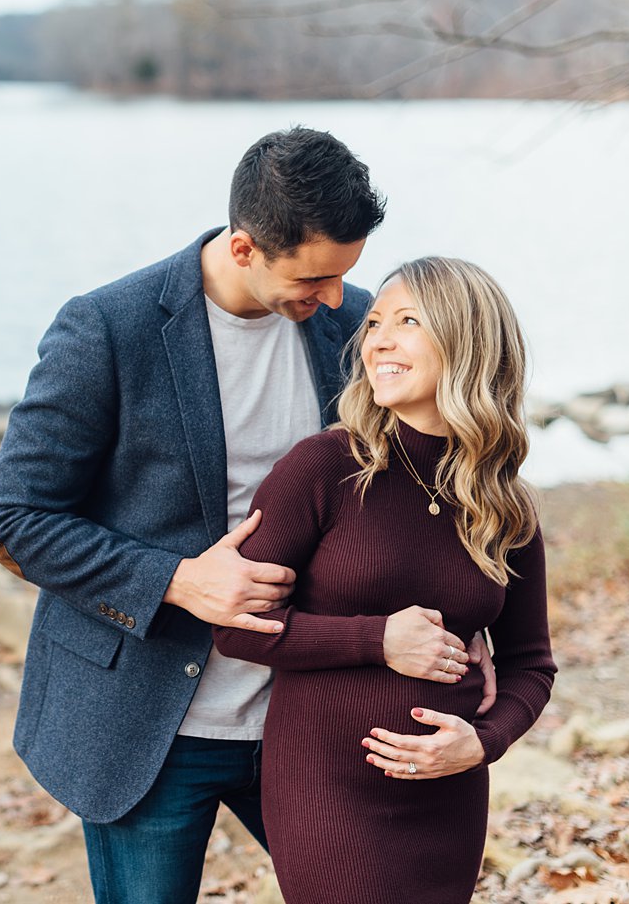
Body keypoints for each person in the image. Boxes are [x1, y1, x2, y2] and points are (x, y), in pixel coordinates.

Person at [0, 128, 497, 904]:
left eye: (344, 276)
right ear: (248, 247)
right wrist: (179, 580)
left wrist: (467, 623)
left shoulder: (356, 324)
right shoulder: (107, 328)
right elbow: (16, 517)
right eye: (315, 277)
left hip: (318, 712)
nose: (334, 300)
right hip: (148, 724)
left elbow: (421, 492)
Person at [213, 257, 556, 903]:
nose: (378, 340)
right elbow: (234, 627)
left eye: (406, 322)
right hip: (327, 790)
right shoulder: (325, 468)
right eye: (373, 324)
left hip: (448, 797)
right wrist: (376, 639)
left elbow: (531, 664)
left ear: (465, 343)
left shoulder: (504, 506)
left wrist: (481, 744)